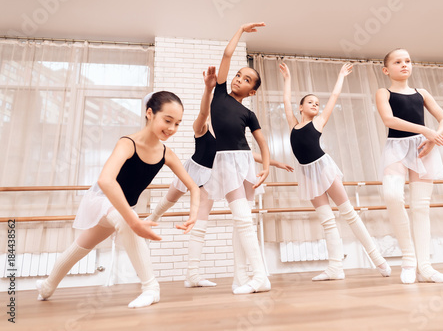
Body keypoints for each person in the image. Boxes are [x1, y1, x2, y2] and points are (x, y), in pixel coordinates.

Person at [36, 91, 201, 308]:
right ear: (150, 113)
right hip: (101, 200)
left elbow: (192, 186)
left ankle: (46, 287)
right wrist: (133, 221)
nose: (172, 128)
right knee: (128, 221)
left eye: (178, 124)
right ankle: (152, 288)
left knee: (77, 249)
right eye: (167, 120)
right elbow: (106, 180)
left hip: (120, 208)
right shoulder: (127, 143)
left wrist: (194, 213)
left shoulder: (166, 153)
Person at [147, 66, 293, 289]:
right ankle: (152, 218)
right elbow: (204, 113)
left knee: (200, 222)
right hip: (194, 169)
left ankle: (192, 275)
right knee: (169, 199)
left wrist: (274, 163)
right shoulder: (202, 126)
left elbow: (246, 153)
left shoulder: (229, 132)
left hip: (212, 175)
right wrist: (208, 90)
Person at [279, 62, 391, 281]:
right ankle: (335, 268)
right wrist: (287, 79)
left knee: (348, 213)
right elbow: (285, 101)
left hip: (322, 168)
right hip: (306, 174)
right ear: (300, 108)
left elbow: (334, 96)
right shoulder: (293, 124)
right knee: (327, 220)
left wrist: (341, 75)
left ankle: (378, 259)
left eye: (316, 103)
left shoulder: (319, 122)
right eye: (309, 102)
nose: (315, 105)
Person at [201, 22, 272, 295]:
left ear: (251, 92)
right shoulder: (218, 93)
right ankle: (248, 276)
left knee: (243, 220)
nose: (238, 79)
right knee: (241, 219)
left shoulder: (249, 113)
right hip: (225, 161)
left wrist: (265, 168)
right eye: (238, 75)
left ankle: (252, 276)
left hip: (244, 161)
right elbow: (227, 56)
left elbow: (262, 142)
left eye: (245, 80)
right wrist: (240, 31)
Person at [376, 48, 443, 284]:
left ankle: (426, 267)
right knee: (392, 195)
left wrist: (433, 139)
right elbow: (389, 120)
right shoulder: (384, 92)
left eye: (408, 61)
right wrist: (424, 130)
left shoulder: (422, 92)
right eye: (398, 61)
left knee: (421, 207)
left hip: (423, 149)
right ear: (386, 69)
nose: (404, 65)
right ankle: (409, 259)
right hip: (397, 147)